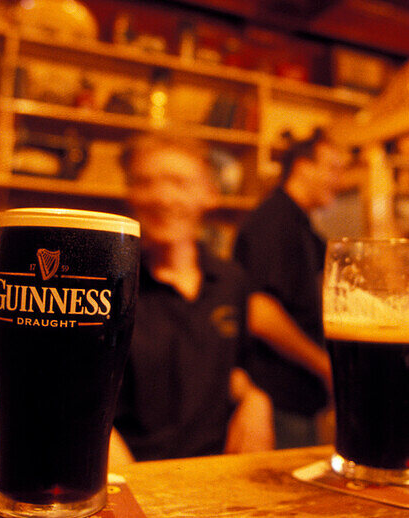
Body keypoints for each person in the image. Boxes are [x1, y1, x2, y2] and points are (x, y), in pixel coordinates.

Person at [112, 134, 273, 462]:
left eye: (179, 182)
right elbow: (79, 391)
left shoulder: (231, 281)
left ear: (210, 194)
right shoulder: (109, 285)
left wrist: (257, 400)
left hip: (213, 470)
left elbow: (234, 371)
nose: (162, 197)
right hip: (133, 472)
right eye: (145, 182)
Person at [233, 128, 346, 448]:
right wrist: (324, 364)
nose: (340, 180)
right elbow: (260, 313)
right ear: (302, 166)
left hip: (298, 399)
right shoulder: (275, 221)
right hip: (279, 399)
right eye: (333, 168)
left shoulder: (301, 226)